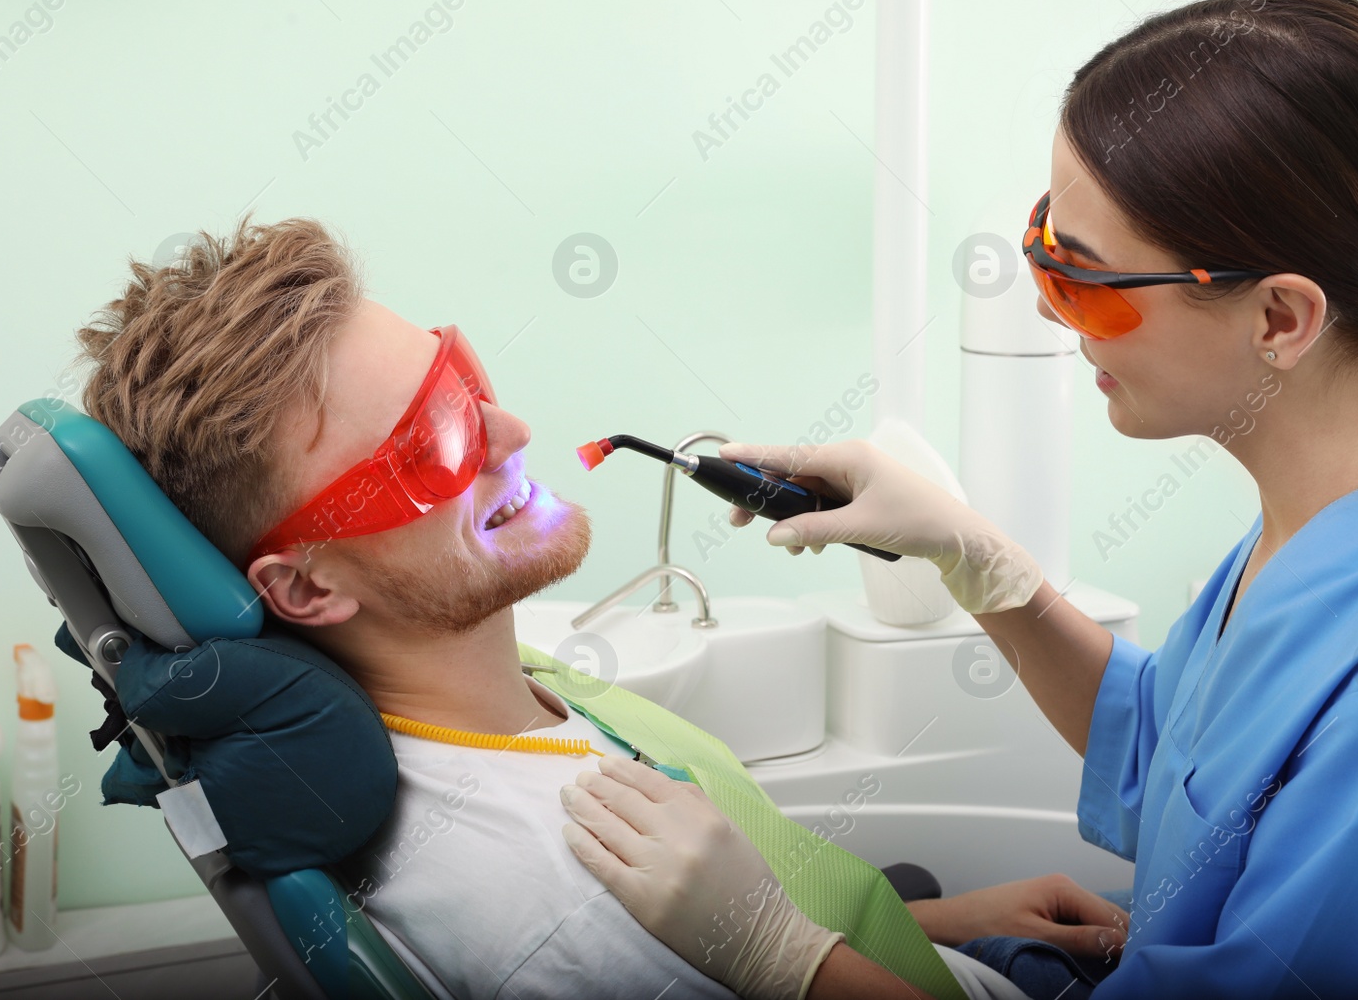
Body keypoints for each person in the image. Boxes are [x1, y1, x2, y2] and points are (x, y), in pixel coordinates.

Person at [559, 0, 1358, 998]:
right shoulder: (1329, 521)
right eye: (1041, 247)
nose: (1058, 320)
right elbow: (1166, 748)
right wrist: (971, 555)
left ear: (1278, 316)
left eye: (1079, 281)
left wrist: (790, 959)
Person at [72, 216, 1125, 1000]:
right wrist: (785, 961)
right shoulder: (549, 895)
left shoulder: (495, 696)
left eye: (461, 380)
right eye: (429, 445)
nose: (510, 426)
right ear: (307, 584)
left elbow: (736, 907)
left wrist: (934, 921)